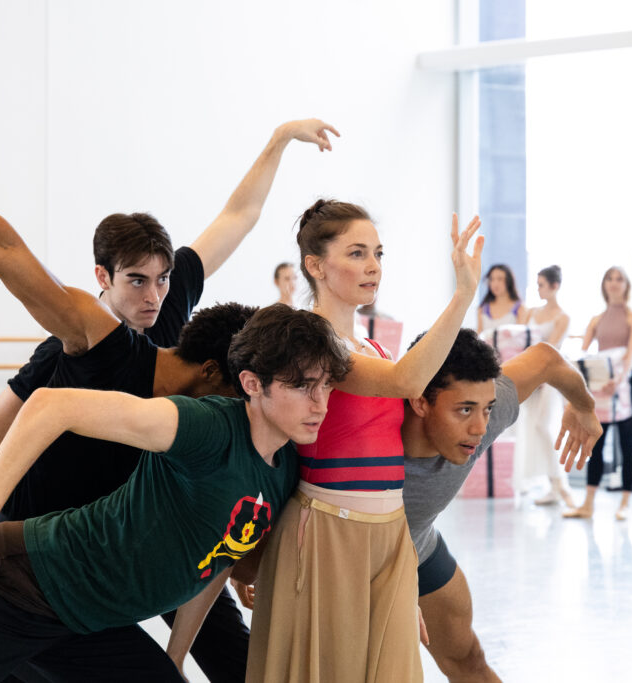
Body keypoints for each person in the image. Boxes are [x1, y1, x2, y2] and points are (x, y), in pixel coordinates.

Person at [0, 70, 336, 681]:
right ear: (218, 375)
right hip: (42, 556)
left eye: (159, 280)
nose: (244, 411)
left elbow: (239, 214)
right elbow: (3, 254)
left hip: (135, 538)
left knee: (226, 649)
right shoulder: (95, 345)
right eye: (136, 280)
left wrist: (281, 139)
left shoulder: (183, 317)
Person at [0, 304, 354, 682]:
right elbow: (51, 405)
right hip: (8, 589)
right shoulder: (206, 428)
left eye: (326, 386)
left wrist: (174, 659)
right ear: (253, 384)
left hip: (85, 625)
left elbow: (216, 561)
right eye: (301, 386)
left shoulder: (284, 468)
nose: (321, 404)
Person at [244, 199, 484, 683]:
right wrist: (463, 295)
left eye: (378, 253)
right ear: (315, 265)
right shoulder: (314, 343)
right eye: (356, 253)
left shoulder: (372, 347)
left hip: (389, 537)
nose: (373, 266)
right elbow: (406, 381)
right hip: (328, 531)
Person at [402, 330, 600, 682]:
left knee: (468, 661)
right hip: (356, 562)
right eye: (464, 410)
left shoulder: (481, 414)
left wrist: (584, 405)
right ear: (420, 401)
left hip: (418, 548)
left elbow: (545, 359)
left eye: (487, 408)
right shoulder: (366, 430)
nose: (480, 428)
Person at [564, 266, 632, 521]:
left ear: (627, 285)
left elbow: (631, 354)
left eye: (619, 279)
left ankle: (625, 503)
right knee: (595, 445)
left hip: (625, 386)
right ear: (604, 284)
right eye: (609, 278)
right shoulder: (596, 320)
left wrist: (619, 380)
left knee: (626, 445)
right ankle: (588, 503)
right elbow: (583, 354)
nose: (614, 283)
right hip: (599, 389)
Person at [520, 265, 575, 506]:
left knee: (544, 427)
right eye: (537, 284)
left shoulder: (563, 317)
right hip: (528, 375)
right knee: (532, 428)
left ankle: (561, 486)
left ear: (555, 286)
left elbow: (552, 349)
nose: (539, 289)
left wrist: (539, 375)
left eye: (542, 284)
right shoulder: (530, 311)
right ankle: (551, 485)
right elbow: (520, 341)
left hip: (550, 378)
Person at [476, 264, 529, 338]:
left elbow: (521, 338)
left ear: (509, 281)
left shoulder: (520, 308)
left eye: (500, 279)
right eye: (492, 279)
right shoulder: (482, 309)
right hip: (485, 349)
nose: (495, 284)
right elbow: (479, 336)